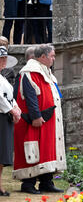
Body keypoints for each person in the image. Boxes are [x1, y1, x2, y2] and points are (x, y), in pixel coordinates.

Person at [13, 44, 66, 194]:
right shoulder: (29, 72)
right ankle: (28, 184)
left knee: (47, 151)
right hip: (35, 121)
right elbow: (29, 95)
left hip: (48, 121)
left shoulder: (46, 72)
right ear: (42, 57)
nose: (54, 59)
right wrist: (36, 116)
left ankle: (46, 182)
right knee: (33, 150)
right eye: (52, 56)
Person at [0, 46, 21, 197]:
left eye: (4, 58)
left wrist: (16, 108)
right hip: (0, 116)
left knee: (3, 154)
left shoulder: (3, 78)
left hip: (5, 117)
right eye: (1, 58)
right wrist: (11, 110)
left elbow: (10, 96)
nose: (3, 61)